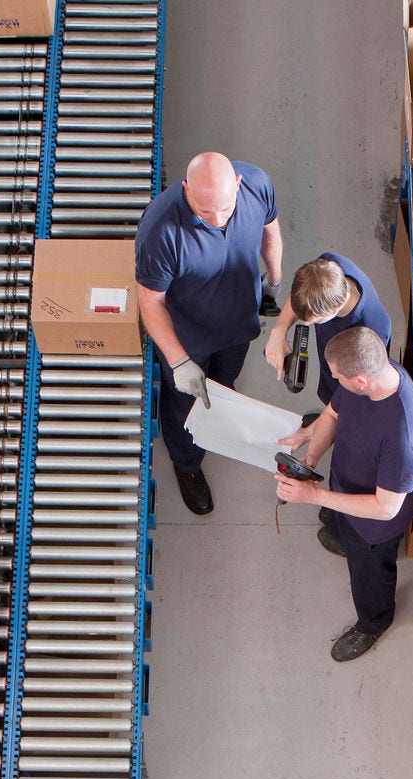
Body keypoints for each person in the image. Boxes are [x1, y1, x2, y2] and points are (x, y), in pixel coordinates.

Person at [133, 151, 285, 516]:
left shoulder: (257, 184)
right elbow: (150, 303)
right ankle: (187, 465)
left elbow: (271, 229)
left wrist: (274, 281)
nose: (217, 220)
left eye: (225, 210)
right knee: (184, 403)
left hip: (238, 323)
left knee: (223, 382)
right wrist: (179, 360)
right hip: (189, 339)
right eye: (205, 213)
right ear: (186, 189)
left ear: (237, 184)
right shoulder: (160, 231)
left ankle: (217, 412)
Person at [274, 327, 413, 662]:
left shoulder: (404, 434)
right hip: (345, 491)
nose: (333, 379)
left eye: (336, 376)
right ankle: (343, 538)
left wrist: (313, 496)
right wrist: (312, 456)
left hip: (373, 526)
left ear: (360, 379)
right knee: (340, 527)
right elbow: (332, 414)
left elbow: (386, 508)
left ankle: (373, 622)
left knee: (368, 575)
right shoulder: (373, 374)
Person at [262, 253, 394, 413]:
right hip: (334, 360)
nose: (306, 324)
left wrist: (328, 419)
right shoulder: (325, 269)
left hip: (354, 380)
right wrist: (279, 330)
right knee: (330, 387)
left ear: (338, 305)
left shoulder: (369, 333)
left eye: (315, 320)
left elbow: (359, 389)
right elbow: (302, 295)